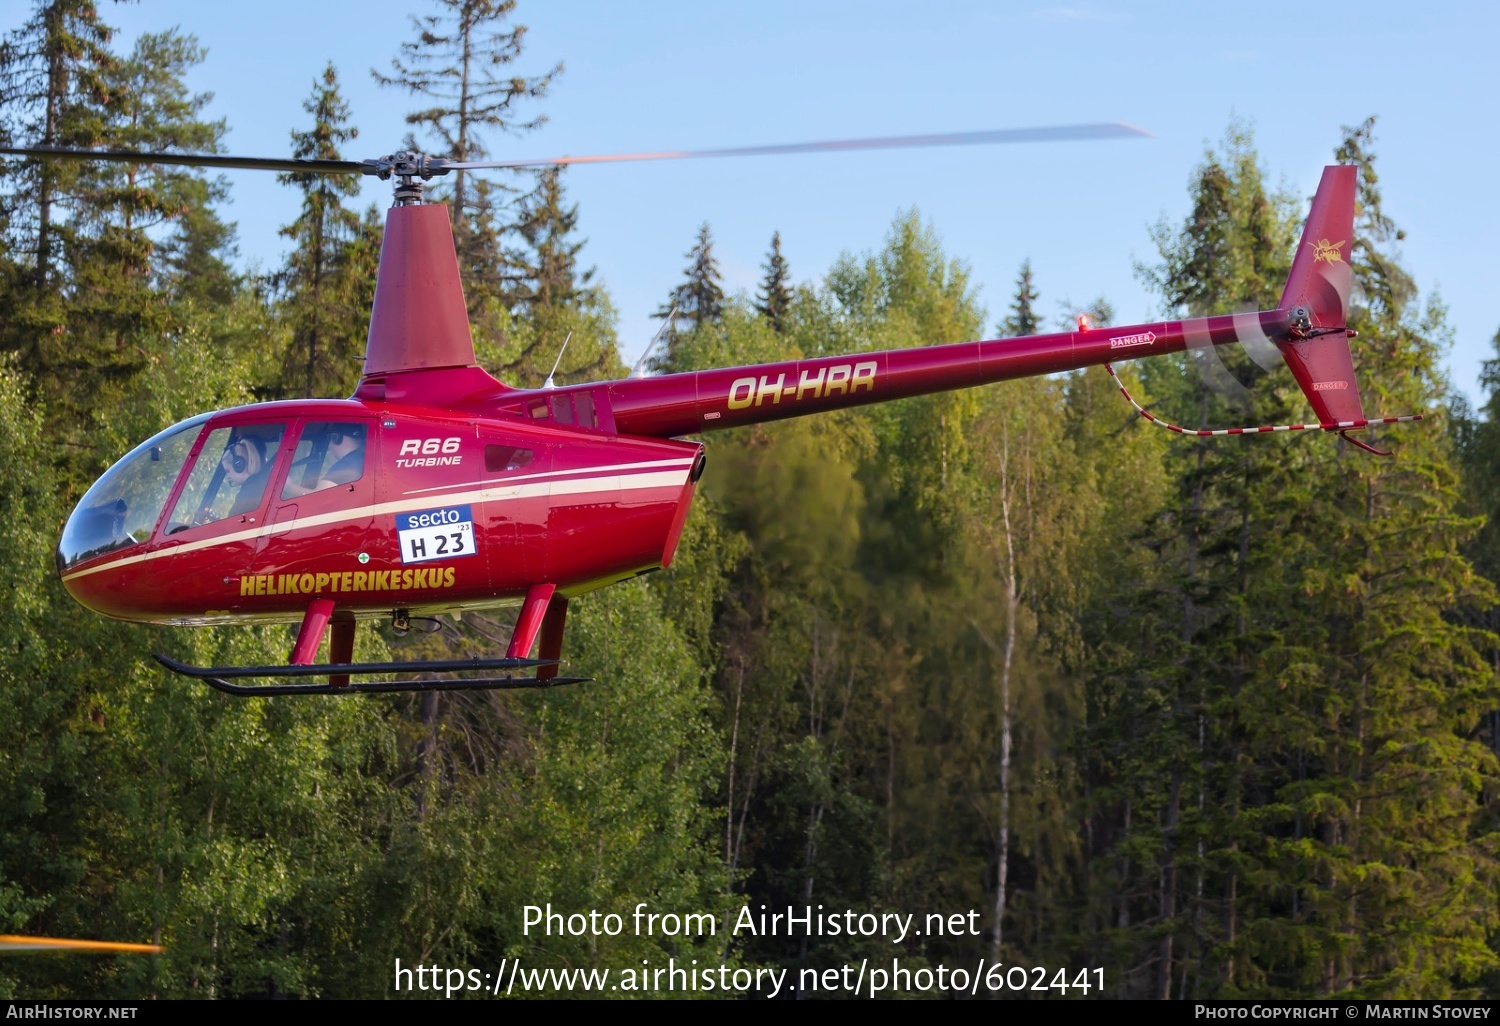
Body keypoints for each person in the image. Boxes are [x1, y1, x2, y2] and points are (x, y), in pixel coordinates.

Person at [223, 435, 272, 516]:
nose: (227, 476)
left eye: (228, 471)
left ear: (238, 465)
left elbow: (233, 521)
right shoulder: (262, 483)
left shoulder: (248, 494)